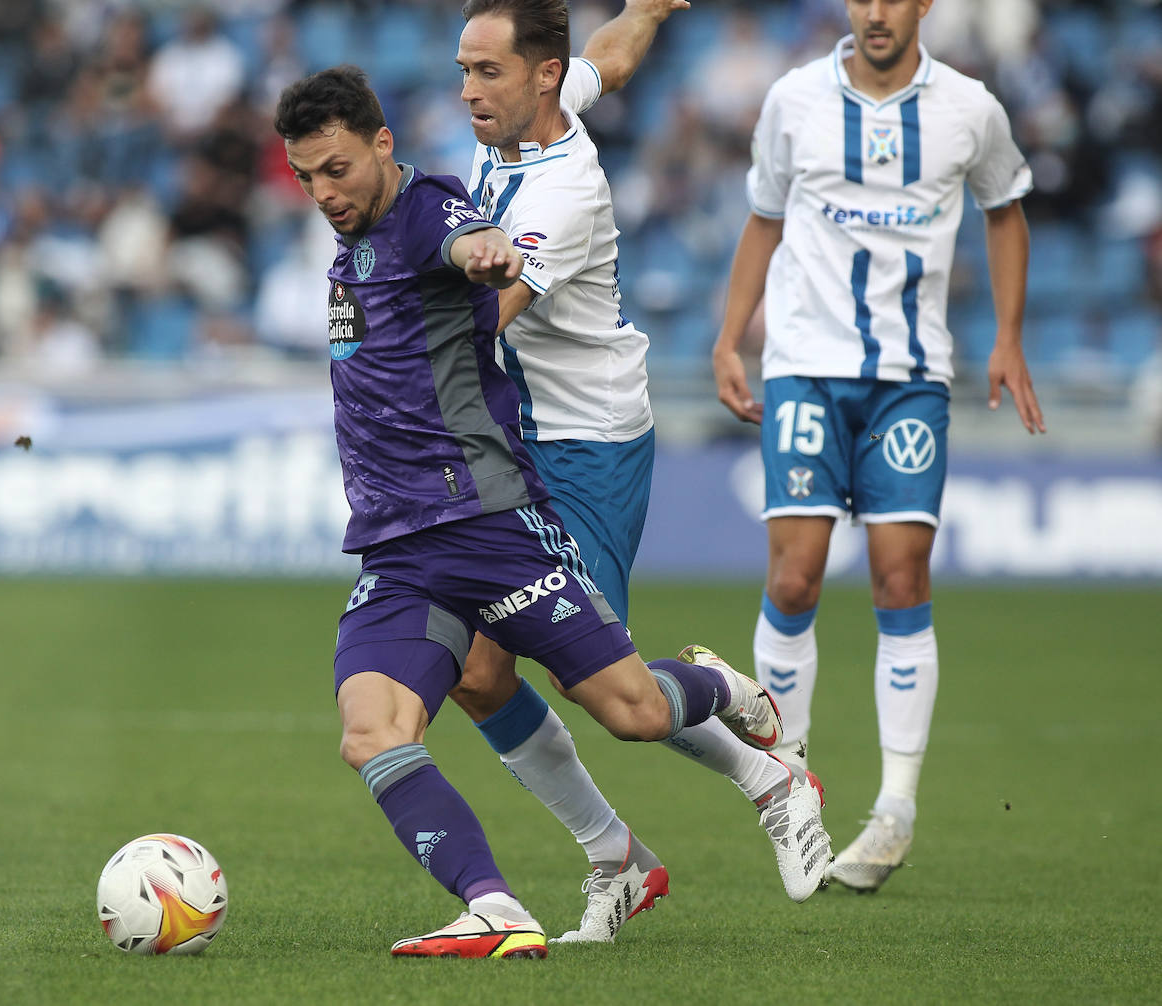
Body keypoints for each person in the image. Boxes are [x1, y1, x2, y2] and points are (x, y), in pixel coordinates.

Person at [275, 64, 783, 958]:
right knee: (371, 731)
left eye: (338, 169)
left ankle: (726, 689)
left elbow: (470, 240)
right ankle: (496, 908)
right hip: (399, 552)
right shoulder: (351, 248)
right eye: (306, 175)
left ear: (381, 145)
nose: (324, 192)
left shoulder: (428, 209)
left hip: (492, 526)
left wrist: (490, 253)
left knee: (631, 712)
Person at [448, 0, 833, 942]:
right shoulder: (538, 108)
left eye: (486, 72)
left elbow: (481, 319)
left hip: (588, 447)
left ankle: (758, 751)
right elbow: (606, 62)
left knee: (614, 697)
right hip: (517, 440)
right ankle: (614, 856)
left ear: (537, 76)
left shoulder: (563, 193)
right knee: (476, 670)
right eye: (464, 70)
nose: (468, 91)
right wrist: (643, 11)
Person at [711, 0, 1046, 892]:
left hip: (909, 377)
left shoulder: (969, 108)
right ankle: (793, 785)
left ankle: (895, 808)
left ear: (924, 5)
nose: (875, 12)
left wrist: (1007, 337)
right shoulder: (793, 100)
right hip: (805, 368)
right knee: (794, 577)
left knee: (902, 579)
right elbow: (764, 218)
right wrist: (727, 336)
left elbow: (1006, 210)